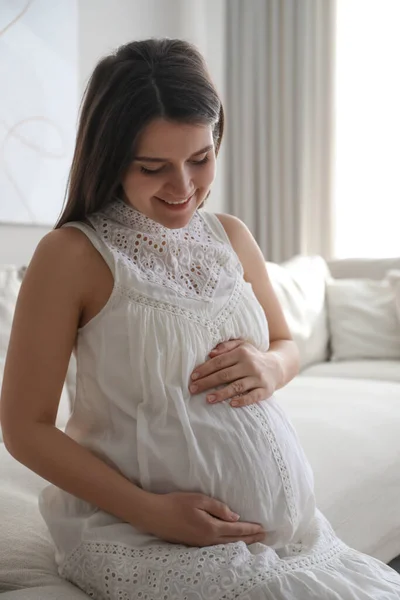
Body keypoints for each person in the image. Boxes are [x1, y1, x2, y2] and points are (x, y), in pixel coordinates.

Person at [1, 38, 399, 600]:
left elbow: (286, 343)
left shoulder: (230, 235)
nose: (184, 188)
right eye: (153, 167)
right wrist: (153, 513)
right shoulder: (71, 255)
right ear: (110, 157)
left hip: (293, 538)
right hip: (140, 533)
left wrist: (269, 365)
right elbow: (24, 428)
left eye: (200, 158)